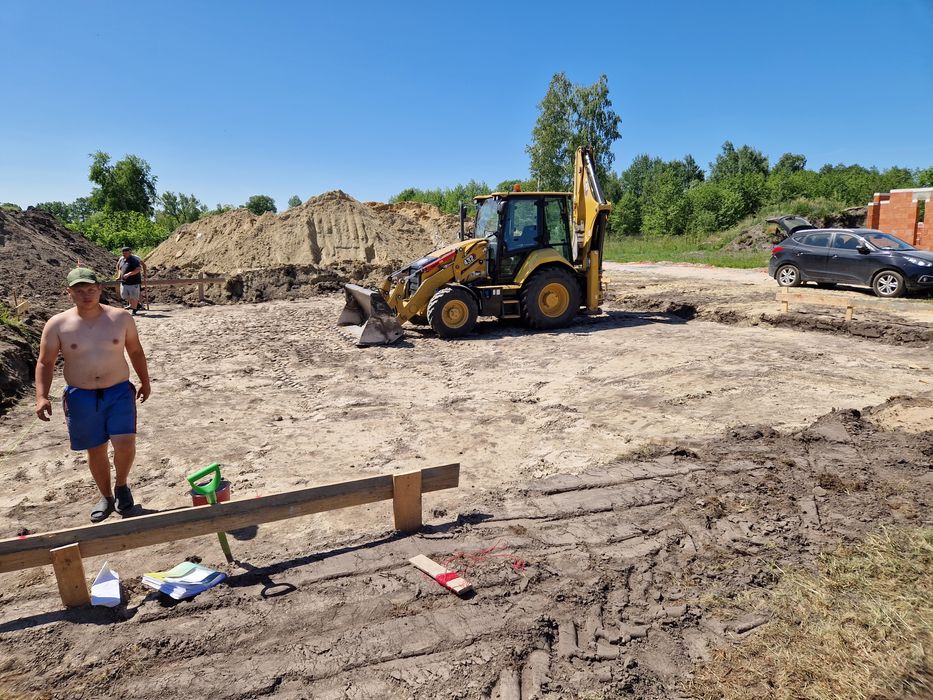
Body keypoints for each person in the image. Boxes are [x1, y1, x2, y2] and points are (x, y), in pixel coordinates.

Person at [35, 267, 152, 522]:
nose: (86, 295)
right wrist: (41, 396)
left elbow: (135, 351)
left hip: (119, 391)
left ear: (100, 289)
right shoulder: (58, 324)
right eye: (79, 290)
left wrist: (145, 381)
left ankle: (122, 486)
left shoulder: (121, 318)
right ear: (69, 293)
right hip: (81, 396)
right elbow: (45, 362)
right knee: (96, 449)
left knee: (125, 443)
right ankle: (106, 497)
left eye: (90, 289)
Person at [116, 246, 147, 315]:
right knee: (124, 295)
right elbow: (118, 266)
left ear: (130, 252)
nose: (124, 254)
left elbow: (139, 268)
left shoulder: (135, 259)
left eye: (126, 253)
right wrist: (119, 275)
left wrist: (129, 274)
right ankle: (137, 305)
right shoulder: (122, 259)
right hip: (124, 281)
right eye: (123, 253)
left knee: (134, 296)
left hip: (134, 281)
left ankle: (134, 309)